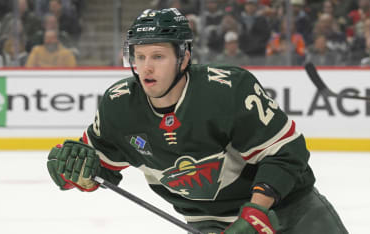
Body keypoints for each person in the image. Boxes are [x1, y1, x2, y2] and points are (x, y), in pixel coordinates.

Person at [46, 8, 348, 234]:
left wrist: (256, 210)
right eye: (139, 56)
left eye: (158, 56)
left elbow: (286, 153)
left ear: (184, 57)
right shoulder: (119, 104)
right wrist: (76, 172)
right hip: (210, 223)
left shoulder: (228, 89)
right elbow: (98, 165)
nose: (145, 67)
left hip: (290, 210)